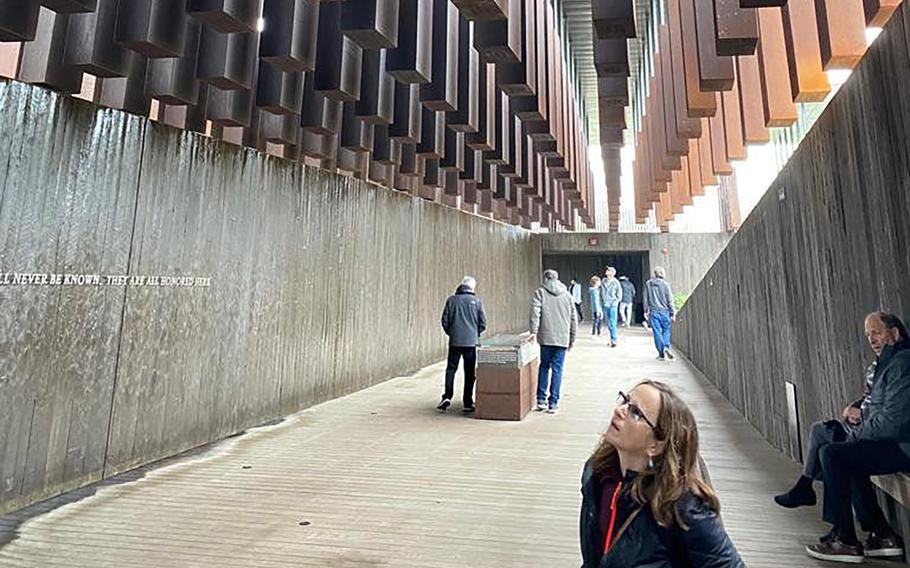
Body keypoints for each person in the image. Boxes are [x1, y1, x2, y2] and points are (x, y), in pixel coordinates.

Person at [579, 380, 745, 567]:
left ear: (655, 445)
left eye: (635, 413)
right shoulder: (597, 474)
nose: (620, 410)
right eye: (625, 400)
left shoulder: (682, 505)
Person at [795, 312, 910, 563]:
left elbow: (892, 422)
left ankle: (846, 540)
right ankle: (882, 535)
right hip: (891, 441)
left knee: (833, 453)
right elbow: (877, 402)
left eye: (876, 333)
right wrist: (856, 408)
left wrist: (859, 431)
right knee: (843, 451)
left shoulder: (903, 362)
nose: (872, 339)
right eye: (868, 335)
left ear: (895, 333)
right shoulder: (886, 363)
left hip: (902, 446)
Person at [530, 269, 577, 414]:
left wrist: (534, 331)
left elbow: (535, 312)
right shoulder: (567, 296)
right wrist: (572, 339)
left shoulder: (540, 293)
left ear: (545, 278)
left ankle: (541, 400)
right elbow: (573, 319)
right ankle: (553, 403)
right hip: (562, 338)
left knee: (544, 367)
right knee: (558, 369)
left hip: (546, 337)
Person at [438, 276, 487, 413]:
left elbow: (444, 321)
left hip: (455, 341)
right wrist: (475, 334)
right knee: (469, 373)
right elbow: (483, 323)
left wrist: (452, 333)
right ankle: (467, 402)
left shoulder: (451, 300)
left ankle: (447, 396)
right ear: (472, 288)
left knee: (451, 369)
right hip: (471, 343)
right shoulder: (477, 301)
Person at [643, 267, 675, 361]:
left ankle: (661, 355)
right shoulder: (666, 285)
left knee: (657, 332)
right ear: (663, 274)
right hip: (665, 311)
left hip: (653, 311)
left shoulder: (648, 284)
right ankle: (666, 347)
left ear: (655, 274)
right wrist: (672, 312)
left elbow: (645, 298)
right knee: (666, 331)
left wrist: (646, 311)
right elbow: (670, 300)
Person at [601, 267, 622, 348]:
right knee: (608, 323)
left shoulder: (616, 283)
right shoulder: (603, 281)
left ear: (612, 273)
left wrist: (614, 303)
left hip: (612, 305)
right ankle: (611, 339)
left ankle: (614, 340)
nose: (606, 271)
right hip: (605, 304)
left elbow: (619, 296)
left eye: (608, 270)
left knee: (612, 323)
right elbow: (601, 292)